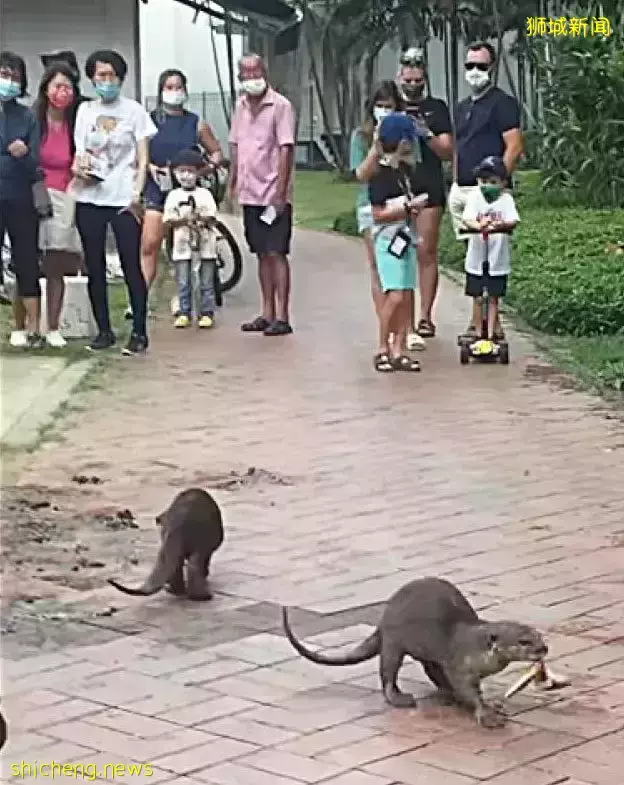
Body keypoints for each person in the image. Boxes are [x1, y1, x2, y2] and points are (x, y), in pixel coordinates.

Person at [71, 49, 157, 355]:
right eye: (100, 75)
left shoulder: (134, 111)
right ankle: (104, 330)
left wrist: (137, 192)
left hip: (123, 197)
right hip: (90, 196)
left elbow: (143, 156)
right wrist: (79, 168)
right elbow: (81, 151)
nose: (106, 81)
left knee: (130, 263)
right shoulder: (85, 112)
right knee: (94, 265)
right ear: (92, 78)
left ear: (120, 78)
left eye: (111, 75)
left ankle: (139, 331)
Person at [140, 69, 223, 315]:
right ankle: (141, 297)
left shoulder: (195, 122)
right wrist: (150, 167)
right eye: (169, 87)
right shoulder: (150, 120)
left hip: (188, 193)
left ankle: (182, 296)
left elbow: (217, 153)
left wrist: (202, 170)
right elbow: (139, 153)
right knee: (150, 243)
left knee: (183, 246)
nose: (174, 92)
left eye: (178, 87)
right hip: (158, 188)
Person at [228, 53, 295, 336]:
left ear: (264, 73)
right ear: (240, 77)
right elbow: (235, 146)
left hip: (272, 193)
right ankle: (266, 312)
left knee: (276, 251)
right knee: (259, 253)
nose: (252, 77)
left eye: (256, 71)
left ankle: (283, 315)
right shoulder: (240, 106)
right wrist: (230, 186)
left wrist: (280, 193)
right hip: (249, 193)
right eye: (246, 72)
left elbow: (286, 148)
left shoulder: (280, 106)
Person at [398, 49, 454, 341]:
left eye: (418, 73)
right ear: (400, 74)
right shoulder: (391, 105)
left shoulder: (437, 108)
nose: (412, 79)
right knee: (398, 251)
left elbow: (447, 151)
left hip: (428, 186)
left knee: (425, 251)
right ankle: (401, 315)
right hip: (396, 188)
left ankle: (426, 316)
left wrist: (426, 133)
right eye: (408, 72)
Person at [368, 113, 427, 373]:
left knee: (405, 296)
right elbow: (378, 214)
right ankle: (383, 345)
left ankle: (399, 348)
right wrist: (406, 208)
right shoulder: (379, 175)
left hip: (405, 239)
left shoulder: (405, 172)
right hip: (387, 240)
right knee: (394, 295)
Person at [33, 62, 83, 348]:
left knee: (57, 264)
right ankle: (28, 326)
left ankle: (53, 326)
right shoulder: (34, 121)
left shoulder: (75, 124)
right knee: (28, 262)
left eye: (68, 87)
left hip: (66, 196)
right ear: (46, 89)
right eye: (57, 86)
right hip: (36, 195)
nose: (62, 93)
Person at [349, 81, 404, 324]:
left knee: (401, 269)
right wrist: (376, 146)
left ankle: (403, 328)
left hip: (400, 206)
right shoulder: (361, 136)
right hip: (370, 207)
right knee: (378, 268)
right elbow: (361, 174)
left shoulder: (405, 132)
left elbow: (409, 166)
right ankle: (385, 325)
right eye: (379, 105)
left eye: (389, 106)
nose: (384, 110)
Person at [0, 51, 42, 348]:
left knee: (26, 260)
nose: (9, 82)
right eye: (4, 75)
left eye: (15, 77)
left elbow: (36, 160)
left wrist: (24, 154)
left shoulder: (26, 116)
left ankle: (34, 329)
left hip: (21, 196)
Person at [460, 155, 519, 341]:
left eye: (492, 182)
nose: (487, 186)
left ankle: (492, 334)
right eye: (483, 181)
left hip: (497, 259)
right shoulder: (475, 197)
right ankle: (478, 333)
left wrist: (500, 225)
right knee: (477, 297)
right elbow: (467, 218)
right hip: (477, 259)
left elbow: (513, 220)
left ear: (503, 182)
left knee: (493, 297)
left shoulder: (506, 200)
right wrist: (478, 226)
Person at [163, 149, 218, 329]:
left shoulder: (205, 194)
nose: (186, 176)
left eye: (190, 171)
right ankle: (184, 312)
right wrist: (184, 220)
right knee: (183, 280)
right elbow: (169, 220)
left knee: (206, 280)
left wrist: (200, 219)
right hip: (182, 245)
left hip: (205, 244)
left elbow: (212, 216)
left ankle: (207, 312)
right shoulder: (174, 196)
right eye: (181, 171)